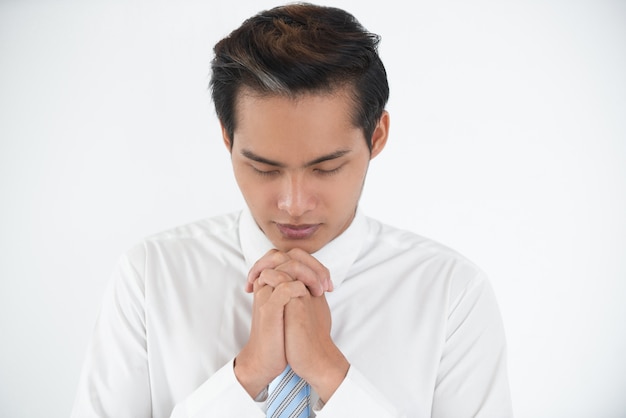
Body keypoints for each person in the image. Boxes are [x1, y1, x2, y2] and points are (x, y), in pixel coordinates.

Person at [71, 3, 512, 417]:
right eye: (264, 168)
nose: (294, 205)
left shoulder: (453, 295)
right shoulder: (150, 278)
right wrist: (246, 376)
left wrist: (331, 375)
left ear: (377, 137)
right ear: (227, 138)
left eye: (326, 168)